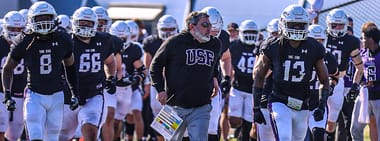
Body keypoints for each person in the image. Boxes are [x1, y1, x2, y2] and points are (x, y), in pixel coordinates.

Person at [2, 1, 79, 141]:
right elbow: (8, 68)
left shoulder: (63, 38)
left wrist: (74, 93)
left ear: (54, 19)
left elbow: (70, 67)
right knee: (35, 136)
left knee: (53, 137)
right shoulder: (24, 40)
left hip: (57, 95)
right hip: (34, 95)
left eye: (47, 17)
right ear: (31, 20)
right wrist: (7, 94)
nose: (44, 22)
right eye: (40, 18)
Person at [252, 5, 329, 141]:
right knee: (284, 137)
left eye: (301, 25)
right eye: (293, 24)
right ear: (283, 23)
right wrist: (256, 107)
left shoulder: (314, 47)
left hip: (302, 104)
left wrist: (322, 105)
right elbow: (258, 75)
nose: (297, 29)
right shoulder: (273, 45)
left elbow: (324, 80)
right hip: (279, 100)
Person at [150, 11, 221, 141]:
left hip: (202, 104)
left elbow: (214, 64)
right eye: (205, 25)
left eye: (210, 24)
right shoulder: (174, 42)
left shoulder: (215, 44)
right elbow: (155, 66)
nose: (209, 28)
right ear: (191, 26)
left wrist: (215, 78)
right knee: (169, 138)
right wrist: (160, 90)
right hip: (173, 104)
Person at [59, 7, 116, 141]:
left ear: (95, 24)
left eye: (88, 23)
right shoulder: (67, 42)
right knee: (63, 136)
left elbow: (110, 62)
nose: (85, 26)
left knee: (91, 132)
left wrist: (111, 78)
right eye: (81, 22)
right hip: (69, 96)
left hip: (93, 94)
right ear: (74, 23)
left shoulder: (103, 40)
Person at [324, 8, 363, 141]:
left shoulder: (351, 41)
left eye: (341, 24)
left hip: (338, 81)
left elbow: (360, 67)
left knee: (332, 118)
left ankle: (329, 138)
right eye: (336, 24)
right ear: (329, 24)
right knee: (313, 115)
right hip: (318, 80)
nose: (339, 28)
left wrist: (354, 86)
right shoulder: (322, 36)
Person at [143, 14, 179, 141]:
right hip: (158, 82)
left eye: (170, 29)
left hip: (176, 83)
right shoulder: (151, 42)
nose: (168, 32)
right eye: (165, 29)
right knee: (157, 112)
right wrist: (149, 82)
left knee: (173, 113)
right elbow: (148, 66)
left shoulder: (181, 41)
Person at [200, 6, 232, 141]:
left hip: (212, 85)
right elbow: (162, 65)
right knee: (177, 127)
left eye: (215, 31)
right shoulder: (182, 38)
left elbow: (226, 57)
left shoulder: (223, 37)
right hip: (184, 85)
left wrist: (227, 77)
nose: (212, 34)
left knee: (212, 126)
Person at [228, 19, 259, 141]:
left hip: (252, 89)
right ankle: (239, 133)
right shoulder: (234, 46)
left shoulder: (260, 47)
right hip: (237, 87)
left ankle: (243, 137)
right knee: (234, 122)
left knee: (248, 122)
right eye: (247, 31)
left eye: (252, 31)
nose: (250, 34)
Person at [307, 24, 339, 141]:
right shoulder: (300, 55)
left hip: (317, 104)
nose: (318, 44)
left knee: (318, 135)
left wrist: (331, 85)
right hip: (298, 105)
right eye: (315, 41)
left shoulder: (329, 58)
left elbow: (335, 76)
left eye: (321, 41)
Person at [0, 11, 27, 141]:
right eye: (12, 28)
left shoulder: (28, 44)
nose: (16, 32)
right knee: (0, 126)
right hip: (1, 91)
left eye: (19, 29)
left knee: (16, 131)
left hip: (20, 92)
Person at [350, 26, 380, 141]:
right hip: (364, 97)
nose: (361, 41)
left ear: (371, 39)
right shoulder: (362, 53)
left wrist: (376, 82)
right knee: (355, 129)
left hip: (378, 98)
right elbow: (359, 71)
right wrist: (354, 87)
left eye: (363, 38)